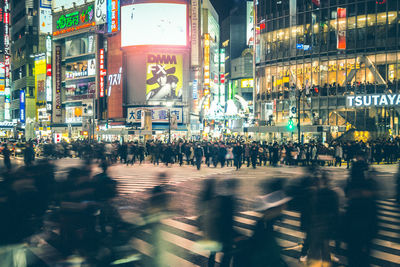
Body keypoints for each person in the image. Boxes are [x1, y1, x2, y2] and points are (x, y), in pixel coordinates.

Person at [344, 160, 378, 267]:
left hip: (354, 233)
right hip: (364, 233)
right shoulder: (368, 189)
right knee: (363, 259)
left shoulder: (352, 189)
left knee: (354, 259)